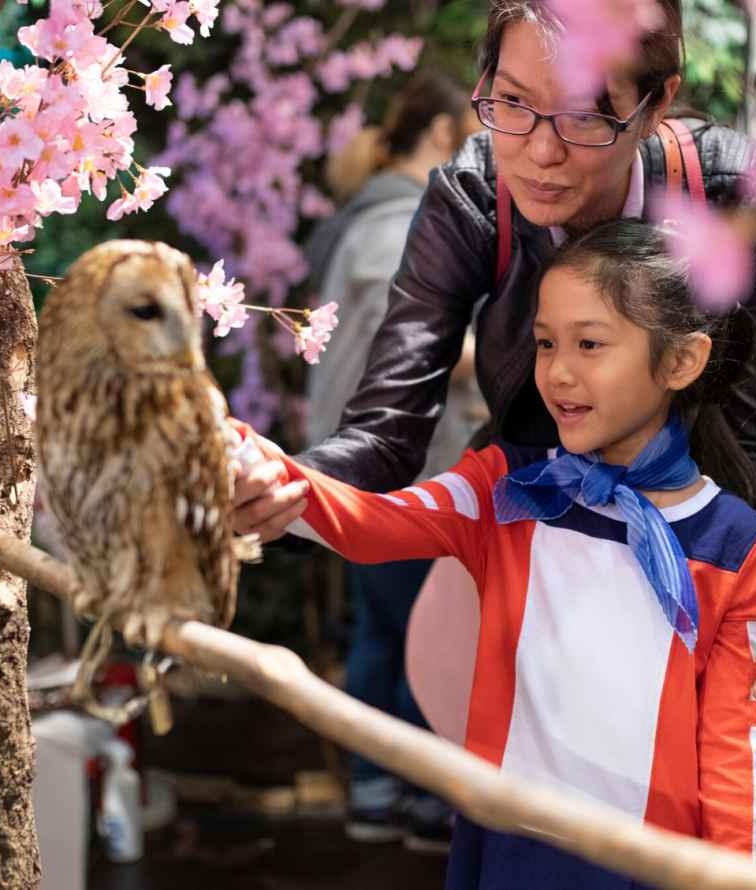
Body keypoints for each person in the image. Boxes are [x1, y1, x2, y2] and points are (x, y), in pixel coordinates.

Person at [235, 0, 756, 870]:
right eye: (510, 103)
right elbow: (385, 437)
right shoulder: (474, 195)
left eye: (587, 117)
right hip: (553, 549)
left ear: (656, 103)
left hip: (715, 572)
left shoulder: (739, 199)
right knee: (537, 831)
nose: (539, 152)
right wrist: (273, 483)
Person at [234, 220, 756, 887]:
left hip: (652, 868)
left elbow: (732, 748)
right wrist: (246, 462)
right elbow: (372, 522)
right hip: (510, 850)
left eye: (590, 344)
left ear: (681, 362)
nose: (559, 372)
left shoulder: (736, 542)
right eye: (546, 344)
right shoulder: (507, 489)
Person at [303, 72, 486, 852]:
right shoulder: (398, 220)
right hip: (399, 470)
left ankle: (379, 797)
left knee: (385, 631)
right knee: (420, 633)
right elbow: (406, 346)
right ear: (444, 136)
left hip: (364, 468)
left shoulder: (364, 215)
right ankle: (411, 800)